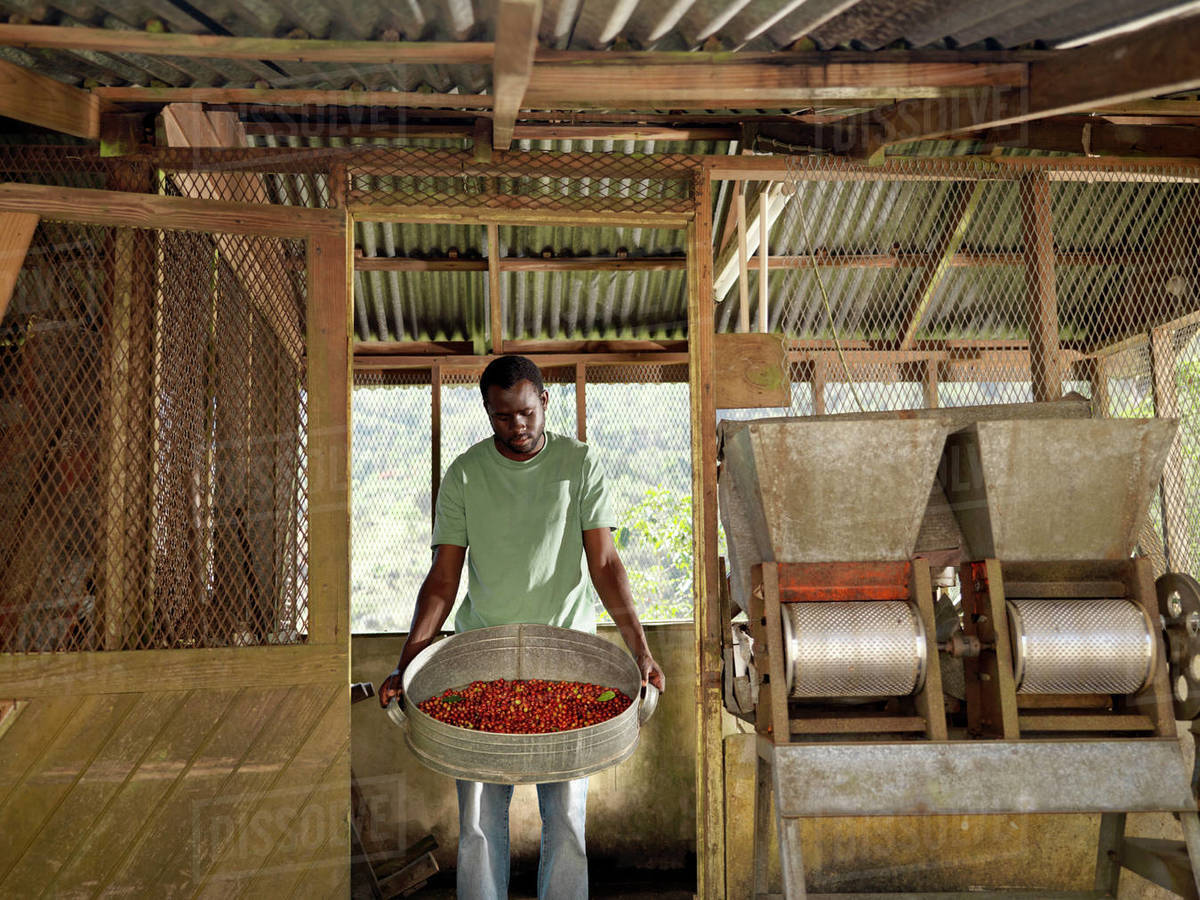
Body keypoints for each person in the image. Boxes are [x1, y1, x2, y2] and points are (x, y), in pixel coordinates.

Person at [379, 354, 666, 900]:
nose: (517, 426)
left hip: (569, 661)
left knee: (566, 820)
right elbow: (443, 579)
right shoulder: (465, 472)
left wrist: (642, 652)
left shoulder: (579, 464)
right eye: (503, 415)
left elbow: (606, 566)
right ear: (488, 411)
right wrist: (407, 662)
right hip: (480, 659)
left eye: (527, 412)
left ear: (545, 403)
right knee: (481, 823)